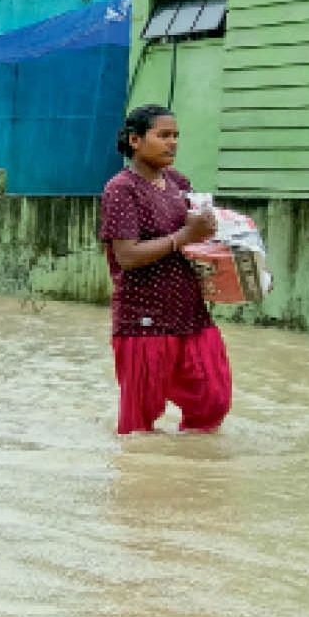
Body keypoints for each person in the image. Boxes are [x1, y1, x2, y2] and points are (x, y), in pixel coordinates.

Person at [98, 104, 232, 435]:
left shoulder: (177, 182)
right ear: (135, 140)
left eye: (175, 136)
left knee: (213, 399)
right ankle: (140, 480)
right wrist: (183, 236)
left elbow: (196, 238)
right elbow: (126, 255)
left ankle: (192, 470)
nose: (172, 143)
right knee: (139, 426)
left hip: (189, 311)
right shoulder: (121, 189)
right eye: (163, 135)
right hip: (145, 318)